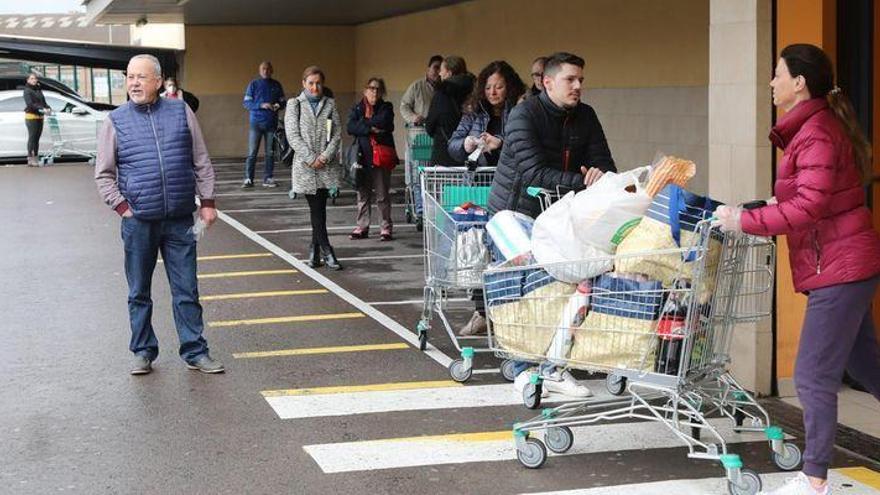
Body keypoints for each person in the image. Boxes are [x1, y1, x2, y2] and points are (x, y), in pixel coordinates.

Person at [713, 44, 880, 495]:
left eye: (777, 74)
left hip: (841, 268)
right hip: (845, 263)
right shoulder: (813, 128)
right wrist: (759, 206)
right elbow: (811, 194)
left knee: (811, 374)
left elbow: (809, 207)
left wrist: (744, 222)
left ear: (799, 82)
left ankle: (814, 479)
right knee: (866, 364)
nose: (771, 82)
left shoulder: (817, 132)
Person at [488, 52, 616, 397]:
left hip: (558, 217)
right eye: (570, 80)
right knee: (536, 288)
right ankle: (527, 367)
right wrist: (582, 179)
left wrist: (599, 177)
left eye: (581, 80)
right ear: (547, 82)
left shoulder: (585, 116)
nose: (578, 86)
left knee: (574, 284)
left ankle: (547, 365)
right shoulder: (523, 115)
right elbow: (533, 172)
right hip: (512, 215)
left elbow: (604, 165)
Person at [95, 54, 224, 375]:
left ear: (158, 81)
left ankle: (195, 350)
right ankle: (142, 351)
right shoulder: (116, 121)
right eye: (130, 77)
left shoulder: (181, 112)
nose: (134, 83)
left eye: (141, 77)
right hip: (138, 221)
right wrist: (123, 208)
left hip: (180, 218)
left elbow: (201, 160)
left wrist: (207, 201)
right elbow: (104, 174)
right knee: (139, 291)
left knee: (186, 290)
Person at [447, 60, 526, 336]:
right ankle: (482, 311)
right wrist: (466, 144)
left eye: (499, 86)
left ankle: (506, 314)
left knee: (504, 253)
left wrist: (500, 144)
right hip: (479, 188)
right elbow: (453, 145)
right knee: (477, 251)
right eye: (489, 87)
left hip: (509, 192)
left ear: (510, 87)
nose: (493, 92)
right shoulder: (473, 112)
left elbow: (524, 147)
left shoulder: (519, 110)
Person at [286, 65, 343, 270]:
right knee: (316, 209)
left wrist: (325, 157)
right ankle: (327, 249)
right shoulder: (295, 105)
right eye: (310, 83)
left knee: (320, 208)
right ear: (303, 84)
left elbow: (337, 134)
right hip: (306, 166)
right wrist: (311, 158)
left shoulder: (330, 104)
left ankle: (314, 250)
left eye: (318, 83)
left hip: (326, 167)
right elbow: (292, 135)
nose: (314, 87)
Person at [347, 77, 397, 241]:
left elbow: (385, 122)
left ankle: (385, 227)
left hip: (380, 158)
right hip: (362, 157)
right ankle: (362, 226)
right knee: (363, 194)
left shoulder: (386, 107)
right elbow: (350, 127)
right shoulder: (357, 108)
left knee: (382, 195)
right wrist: (371, 128)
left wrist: (363, 124)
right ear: (365, 90)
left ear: (382, 92)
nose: (374, 92)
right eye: (371, 88)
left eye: (378, 89)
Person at [425, 55, 475, 166]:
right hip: (471, 155)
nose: (439, 73)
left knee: (444, 183)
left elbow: (430, 126)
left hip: (444, 154)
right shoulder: (475, 92)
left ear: (450, 73)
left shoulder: (441, 94)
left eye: (442, 70)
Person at [242, 61, 286, 188]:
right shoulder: (253, 84)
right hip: (256, 123)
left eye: (268, 69)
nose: (265, 71)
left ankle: (268, 178)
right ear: (259, 71)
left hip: (271, 124)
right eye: (263, 69)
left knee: (270, 153)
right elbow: (246, 103)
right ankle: (248, 178)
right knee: (252, 152)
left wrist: (278, 105)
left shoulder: (277, 85)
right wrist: (261, 105)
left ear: (272, 70)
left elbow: (283, 101)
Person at [400, 55, 442, 126]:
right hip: (420, 131)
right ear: (428, 69)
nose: (438, 71)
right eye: (436, 67)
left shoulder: (445, 88)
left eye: (441, 69)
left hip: (439, 131)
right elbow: (404, 106)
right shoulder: (416, 86)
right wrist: (413, 117)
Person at [22, 73, 51, 167]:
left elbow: (44, 102)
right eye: (32, 78)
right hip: (31, 117)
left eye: (35, 78)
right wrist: (41, 109)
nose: (34, 80)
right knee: (32, 137)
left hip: (40, 117)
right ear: (28, 80)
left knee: (37, 138)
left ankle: (36, 157)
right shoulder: (27, 90)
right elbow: (30, 104)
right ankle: (30, 158)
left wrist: (48, 108)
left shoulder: (38, 90)